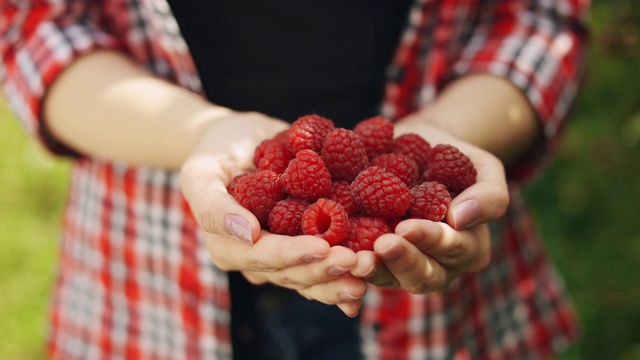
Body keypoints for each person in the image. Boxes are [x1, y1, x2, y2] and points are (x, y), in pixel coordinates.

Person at [0, 0, 589, 359]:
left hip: (428, 297)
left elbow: (538, 15)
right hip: (150, 285)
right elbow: (34, 25)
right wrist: (204, 131)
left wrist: (447, 130)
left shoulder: (394, 182)